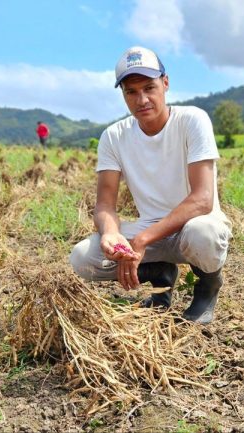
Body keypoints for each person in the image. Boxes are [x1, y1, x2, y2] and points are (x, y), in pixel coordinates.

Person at [70, 46, 232, 324]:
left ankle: (207, 286)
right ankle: (160, 274)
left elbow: (202, 199)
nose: (141, 99)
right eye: (131, 92)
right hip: (152, 230)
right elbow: (105, 205)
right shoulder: (113, 136)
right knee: (83, 258)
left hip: (194, 226)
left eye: (149, 87)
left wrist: (142, 240)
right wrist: (111, 234)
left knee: (202, 234)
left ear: (165, 83)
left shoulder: (192, 120)